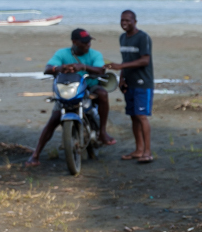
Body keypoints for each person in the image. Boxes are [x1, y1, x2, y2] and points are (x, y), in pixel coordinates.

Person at [26, 28, 116, 166]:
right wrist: (59, 69)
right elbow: (48, 68)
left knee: (103, 94)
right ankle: (35, 154)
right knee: (54, 119)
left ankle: (102, 132)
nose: (88, 45)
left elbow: (100, 70)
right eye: (84, 42)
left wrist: (83, 67)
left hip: (89, 87)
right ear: (74, 42)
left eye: (89, 42)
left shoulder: (95, 55)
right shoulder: (62, 53)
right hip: (68, 89)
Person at [112, 10, 154, 163]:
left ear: (135, 21)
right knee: (133, 116)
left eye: (128, 20)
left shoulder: (143, 37)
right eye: (122, 20)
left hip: (143, 83)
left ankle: (147, 152)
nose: (125, 23)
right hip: (129, 83)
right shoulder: (123, 38)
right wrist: (121, 78)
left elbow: (145, 61)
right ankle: (138, 150)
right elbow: (126, 60)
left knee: (142, 116)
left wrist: (120, 66)